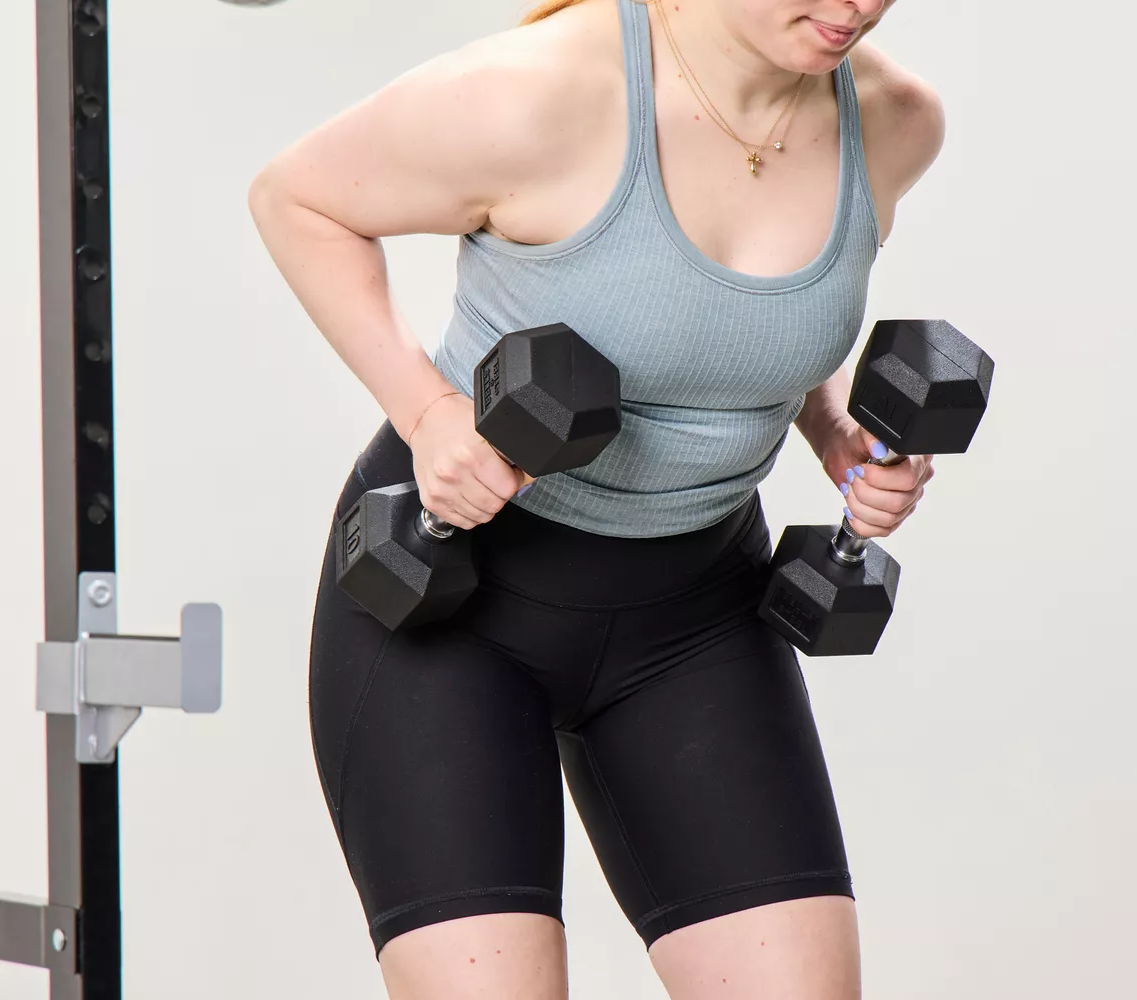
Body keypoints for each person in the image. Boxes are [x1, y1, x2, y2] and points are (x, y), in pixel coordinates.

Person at [248, 0, 940, 995]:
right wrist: (430, 414)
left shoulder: (893, 119)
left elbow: (742, 319)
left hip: (698, 615)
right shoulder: (539, 93)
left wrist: (835, 432)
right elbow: (297, 199)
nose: (853, 8)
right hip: (453, 594)